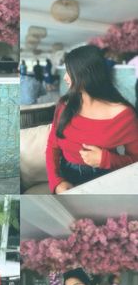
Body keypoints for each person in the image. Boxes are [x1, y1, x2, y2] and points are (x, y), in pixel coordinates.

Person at [46, 45, 138, 194]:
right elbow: (52, 146)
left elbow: (135, 161)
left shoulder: (124, 115)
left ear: (87, 73)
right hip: (66, 176)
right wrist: (56, 182)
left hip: (106, 176)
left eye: (69, 72)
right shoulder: (65, 105)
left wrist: (106, 159)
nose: (65, 77)